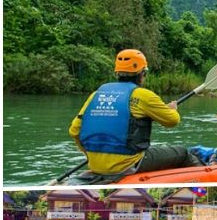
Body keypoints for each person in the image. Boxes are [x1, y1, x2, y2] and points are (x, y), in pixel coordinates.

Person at [69, 49, 202, 176]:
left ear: (117, 73)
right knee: (182, 153)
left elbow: (74, 130)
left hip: (95, 165)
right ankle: (204, 186)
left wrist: (91, 156)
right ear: (142, 73)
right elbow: (172, 121)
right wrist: (172, 110)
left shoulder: (95, 95)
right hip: (129, 164)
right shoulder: (144, 95)